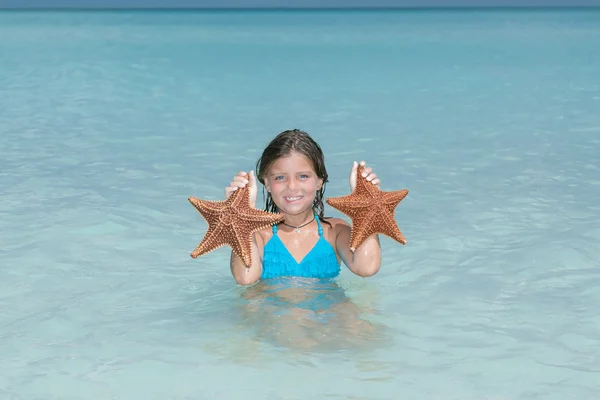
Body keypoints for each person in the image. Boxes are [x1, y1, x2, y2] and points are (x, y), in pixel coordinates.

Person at [226, 129, 382, 286]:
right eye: (280, 177)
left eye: (303, 176)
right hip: (271, 311)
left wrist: (367, 205)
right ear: (267, 183)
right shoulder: (258, 234)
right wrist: (240, 214)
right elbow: (245, 278)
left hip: (328, 311)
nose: (292, 186)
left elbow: (367, 268)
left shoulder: (335, 231)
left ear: (319, 181)